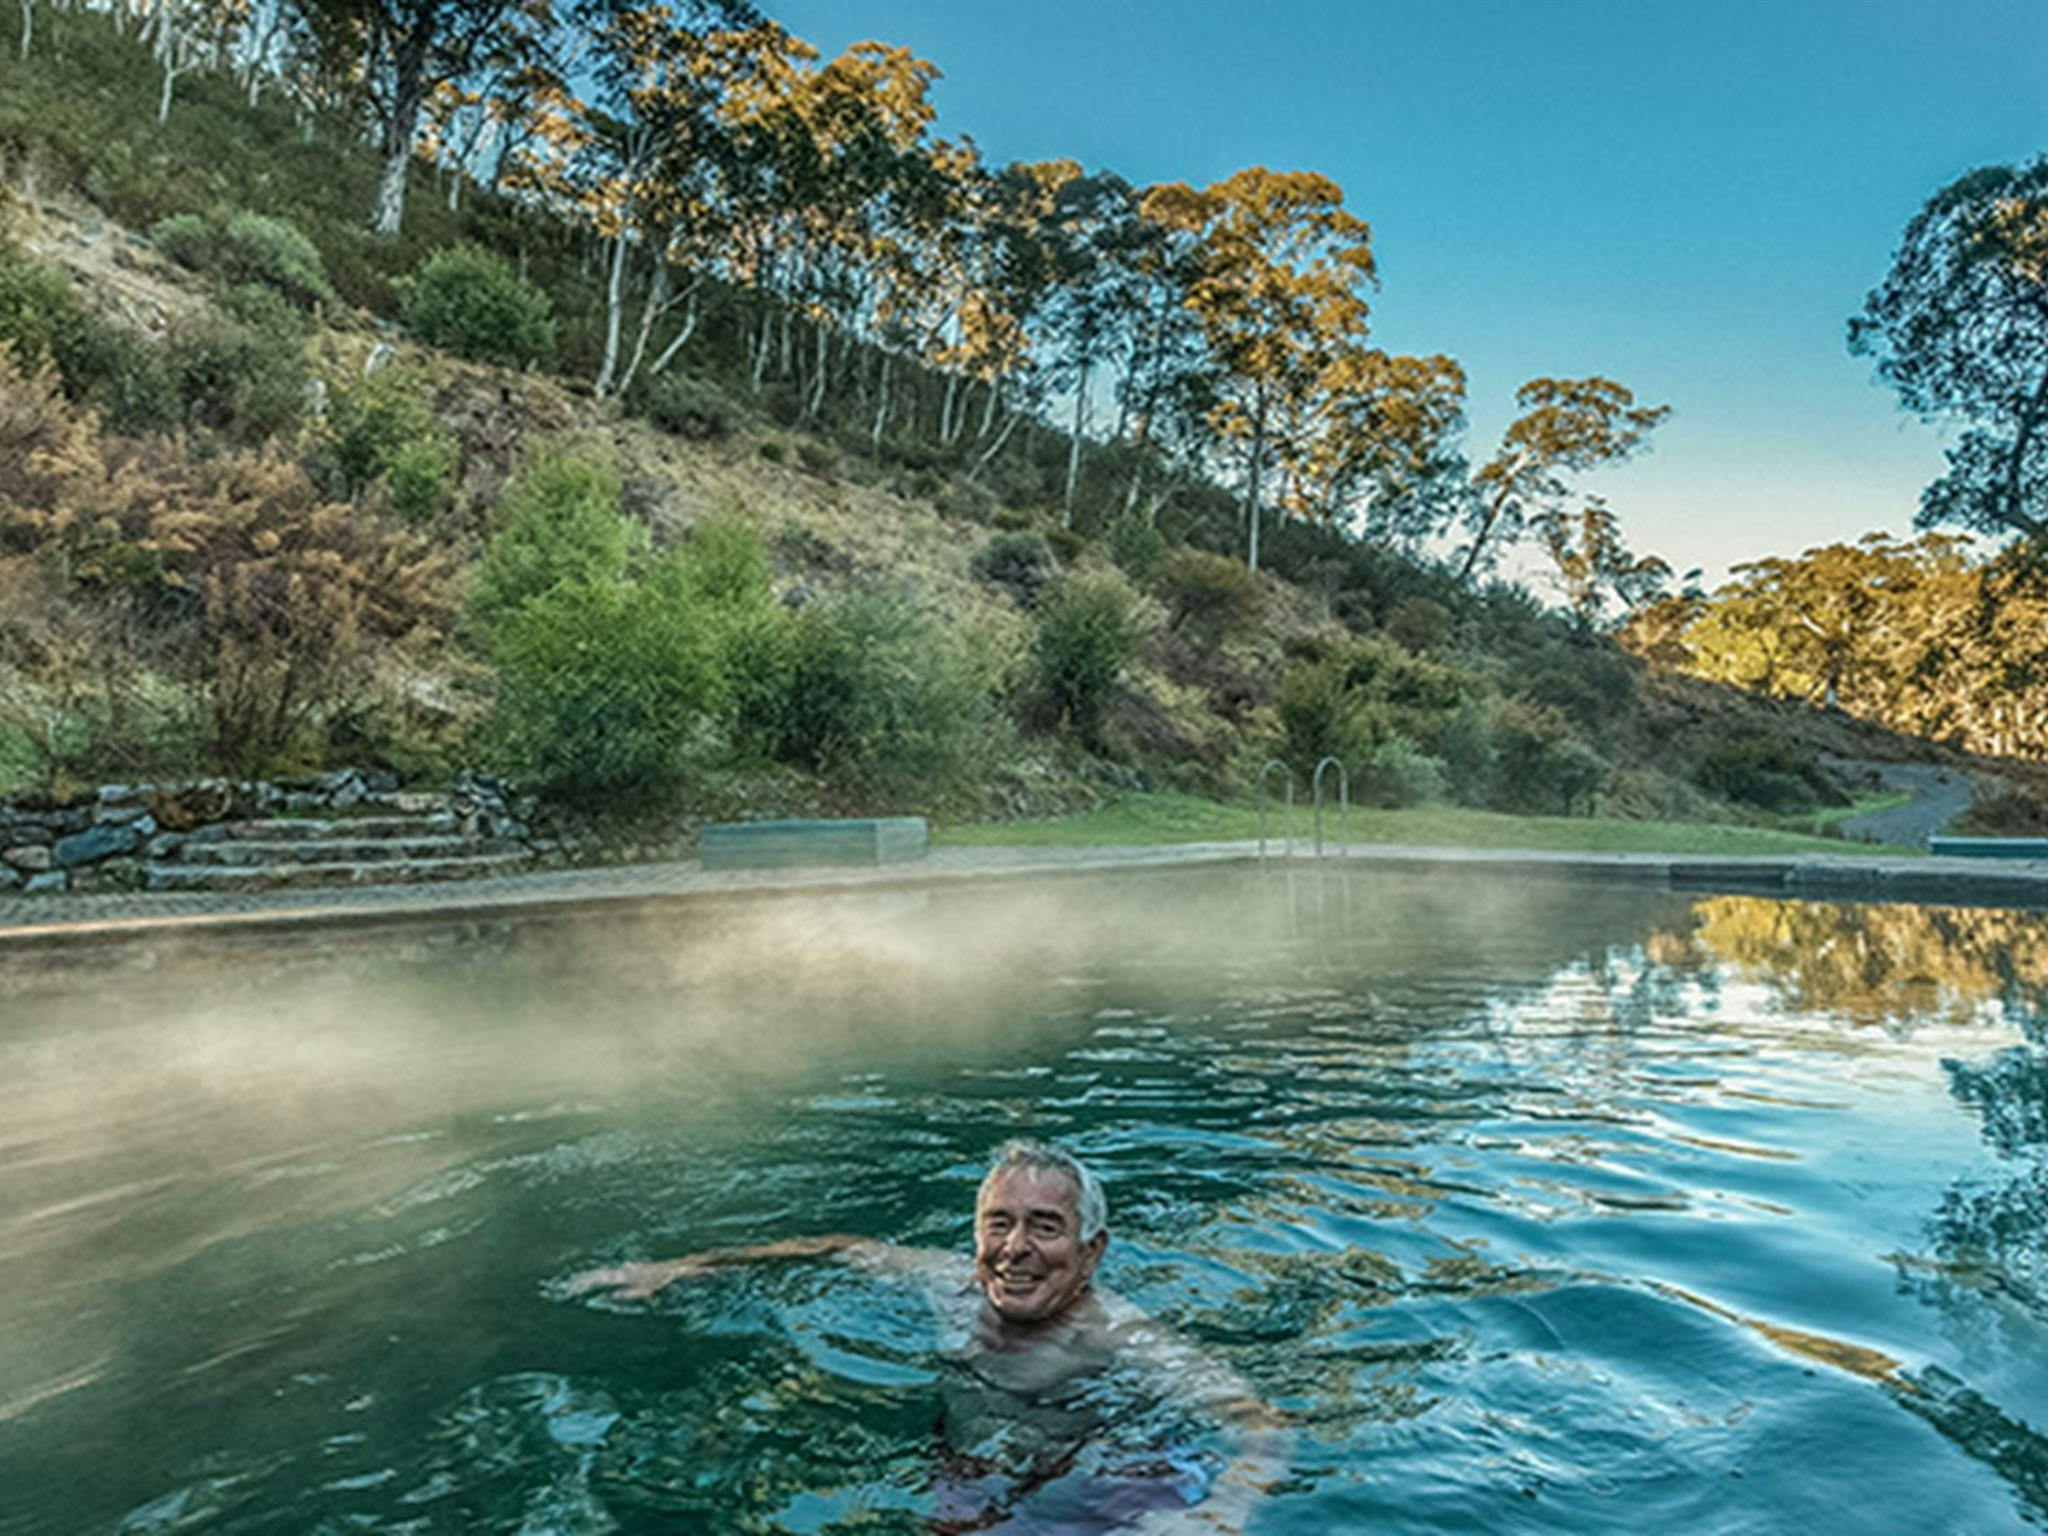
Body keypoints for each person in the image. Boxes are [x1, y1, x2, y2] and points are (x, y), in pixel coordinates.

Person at [571, 1139, 1290, 1534]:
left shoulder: (1123, 1336)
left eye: (1046, 1226)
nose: (1015, 1248)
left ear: (1091, 1251)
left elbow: (1263, 1425)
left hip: (1113, 1482)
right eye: (998, 1223)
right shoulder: (950, 1284)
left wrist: (1225, 1510)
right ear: (975, 1231)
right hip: (975, 1475)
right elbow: (839, 1247)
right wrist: (679, 1269)